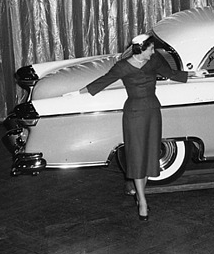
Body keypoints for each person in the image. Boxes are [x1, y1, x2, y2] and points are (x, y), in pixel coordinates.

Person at [76, 34, 204, 221]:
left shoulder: (154, 61)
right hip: (134, 113)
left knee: (150, 154)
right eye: (151, 48)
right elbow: (103, 81)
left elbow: (171, 74)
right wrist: (76, 93)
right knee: (137, 156)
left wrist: (193, 74)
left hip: (153, 110)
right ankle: (143, 201)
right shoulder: (123, 66)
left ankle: (140, 195)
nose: (154, 51)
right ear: (141, 50)